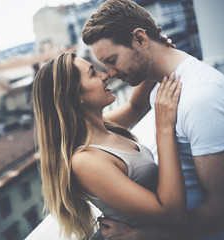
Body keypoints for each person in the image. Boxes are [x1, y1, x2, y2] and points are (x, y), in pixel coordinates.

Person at [81, 0, 224, 239]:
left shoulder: (202, 98)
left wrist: (143, 235)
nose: (109, 74)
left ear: (141, 39)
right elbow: (133, 107)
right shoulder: (161, 86)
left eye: (112, 60)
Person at [32, 52, 185, 240]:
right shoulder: (86, 160)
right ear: (76, 95)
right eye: (93, 74)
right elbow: (171, 213)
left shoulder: (103, 127)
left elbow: (135, 107)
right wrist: (164, 128)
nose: (105, 75)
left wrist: (151, 58)